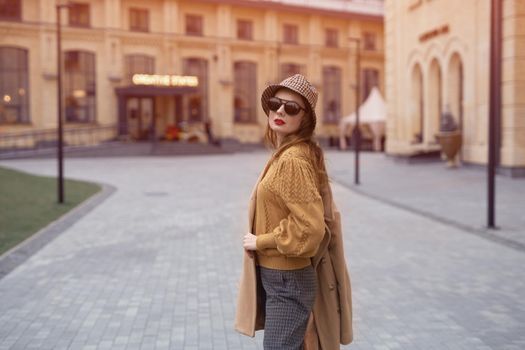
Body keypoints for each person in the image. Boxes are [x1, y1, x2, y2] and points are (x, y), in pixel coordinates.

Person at [234, 74, 353, 349]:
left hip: (288, 280)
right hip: (283, 279)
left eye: (291, 108)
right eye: (276, 104)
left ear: (304, 119)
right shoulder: (287, 154)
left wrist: (261, 241)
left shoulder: (292, 161)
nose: (280, 111)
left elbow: (310, 229)